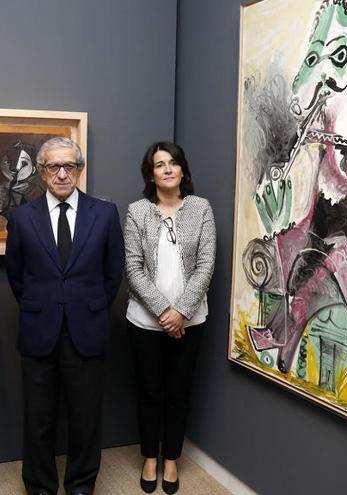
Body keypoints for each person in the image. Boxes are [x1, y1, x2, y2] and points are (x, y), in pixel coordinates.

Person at [5, 136, 124, 495]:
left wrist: (86, 307)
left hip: (87, 329)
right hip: (39, 328)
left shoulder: (104, 213)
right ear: (41, 172)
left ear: (80, 169)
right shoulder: (22, 216)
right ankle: (40, 485)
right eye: (53, 166)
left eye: (69, 166)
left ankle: (81, 483)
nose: (61, 174)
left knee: (85, 416)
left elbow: (112, 272)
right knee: (38, 418)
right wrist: (44, 304)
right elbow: (16, 275)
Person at [124, 141, 215, 494]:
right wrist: (165, 312)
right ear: (151, 173)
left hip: (191, 322)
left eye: (173, 163)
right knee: (149, 392)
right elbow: (133, 269)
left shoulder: (201, 209)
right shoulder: (137, 211)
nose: (167, 169)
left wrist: (182, 312)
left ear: (182, 170)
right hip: (144, 322)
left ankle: (172, 459)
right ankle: (150, 456)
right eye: (159, 164)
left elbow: (206, 265)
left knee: (178, 392)